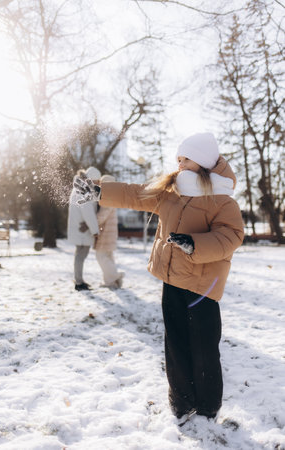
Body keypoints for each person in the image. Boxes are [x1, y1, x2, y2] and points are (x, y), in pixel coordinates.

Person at [73, 132, 244, 421]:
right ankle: (181, 401)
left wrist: (194, 244)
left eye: (185, 159)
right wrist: (99, 190)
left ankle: (207, 405)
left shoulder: (222, 201)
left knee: (203, 346)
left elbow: (231, 236)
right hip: (172, 280)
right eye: (178, 159)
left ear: (202, 162)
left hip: (203, 285)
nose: (179, 165)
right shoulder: (171, 191)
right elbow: (135, 194)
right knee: (175, 343)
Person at [67, 166, 101, 291]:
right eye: (97, 181)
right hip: (83, 229)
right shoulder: (84, 190)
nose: (98, 184)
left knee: (79, 255)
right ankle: (79, 282)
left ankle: (79, 280)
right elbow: (88, 213)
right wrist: (95, 231)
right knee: (81, 255)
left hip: (80, 226)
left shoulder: (79, 187)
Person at [94, 174, 124, 289]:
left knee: (101, 256)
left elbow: (102, 217)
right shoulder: (111, 197)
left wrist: (92, 222)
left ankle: (115, 276)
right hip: (110, 233)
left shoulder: (107, 199)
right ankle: (110, 282)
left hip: (106, 233)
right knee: (108, 257)